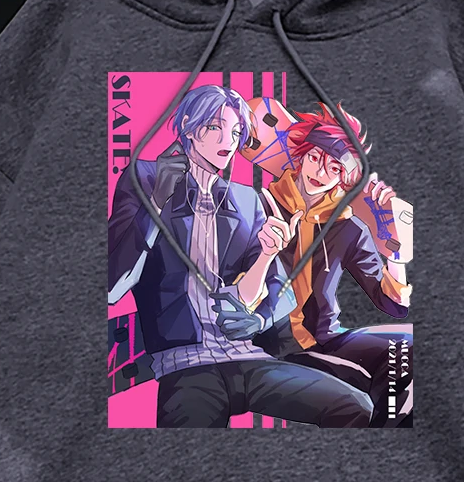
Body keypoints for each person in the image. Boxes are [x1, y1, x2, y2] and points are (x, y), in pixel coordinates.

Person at [108, 84, 373, 427]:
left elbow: (281, 288)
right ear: (188, 126)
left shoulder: (246, 200)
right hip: (185, 365)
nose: (228, 142)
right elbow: (113, 285)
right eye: (214, 127)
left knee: (356, 405)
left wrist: (259, 320)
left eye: (235, 133)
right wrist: (156, 203)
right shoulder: (143, 178)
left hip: (250, 358)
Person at [262, 101, 413, 426]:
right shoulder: (259, 205)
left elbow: (394, 305)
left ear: (345, 177)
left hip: (326, 340)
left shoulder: (348, 227)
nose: (319, 173)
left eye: (333, 168)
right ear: (301, 155)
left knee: (402, 348)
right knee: (357, 398)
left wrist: (395, 248)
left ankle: (388, 441)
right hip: (269, 344)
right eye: (315, 158)